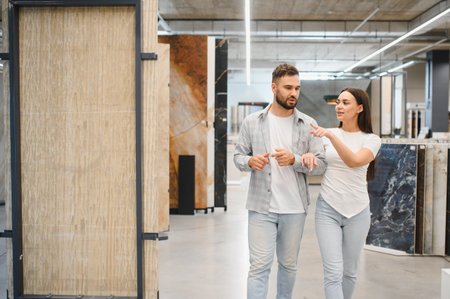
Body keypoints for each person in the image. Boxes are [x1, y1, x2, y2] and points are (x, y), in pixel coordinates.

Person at [234, 63, 326, 299]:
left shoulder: (308, 124)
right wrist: (249, 162)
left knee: (288, 266)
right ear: (274, 87)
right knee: (258, 267)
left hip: (295, 209)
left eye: (297, 88)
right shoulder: (252, 122)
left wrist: (296, 159)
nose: (293, 93)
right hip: (260, 208)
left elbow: (321, 164)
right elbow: (238, 156)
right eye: (288, 87)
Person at [309, 87, 381, 299]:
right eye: (338, 102)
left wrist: (331, 135)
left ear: (360, 108)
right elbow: (317, 159)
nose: (339, 106)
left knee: (349, 272)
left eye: (345, 102)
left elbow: (354, 161)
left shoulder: (371, 139)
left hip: (358, 211)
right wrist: (307, 155)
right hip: (327, 209)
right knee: (333, 273)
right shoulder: (326, 136)